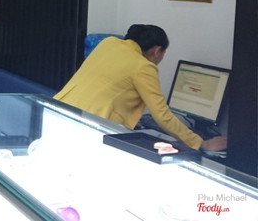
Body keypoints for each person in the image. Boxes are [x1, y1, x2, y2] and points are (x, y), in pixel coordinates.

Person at [54, 24, 227, 151]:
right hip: (91, 127)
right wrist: (200, 143)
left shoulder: (109, 43)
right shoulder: (143, 67)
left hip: (60, 112)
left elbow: (110, 88)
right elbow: (163, 116)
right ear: (156, 51)